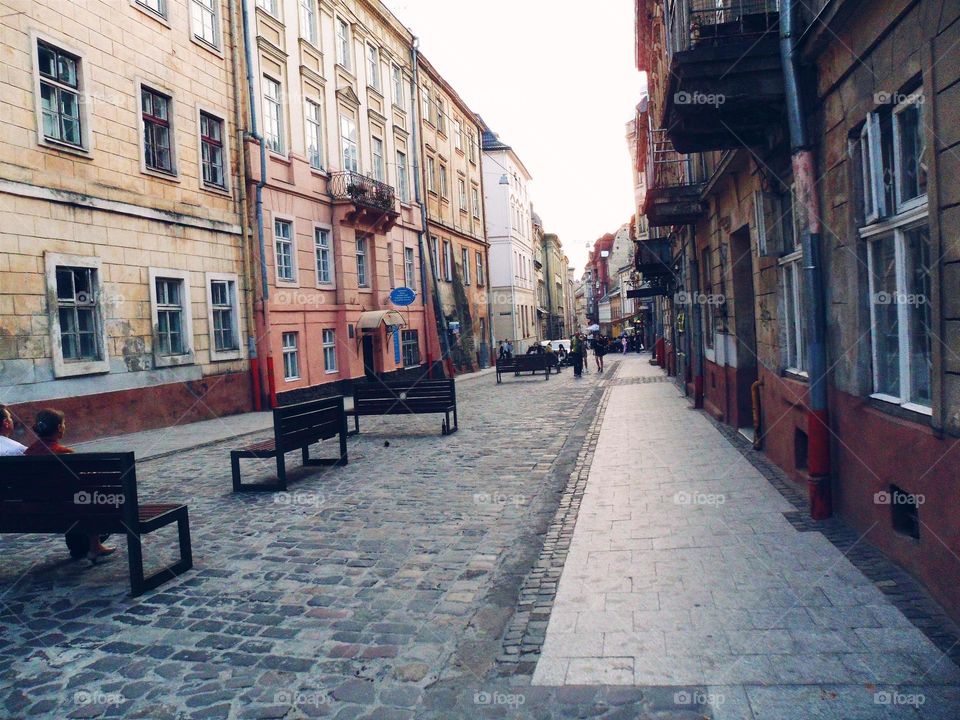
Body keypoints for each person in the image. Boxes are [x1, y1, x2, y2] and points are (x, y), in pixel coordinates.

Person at [25, 409, 115, 560]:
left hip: (34, 507)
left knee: (72, 499)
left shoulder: (28, 453)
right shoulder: (64, 453)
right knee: (88, 497)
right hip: (66, 507)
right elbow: (82, 482)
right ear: (59, 428)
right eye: (64, 424)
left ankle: (80, 546)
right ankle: (94, 546)